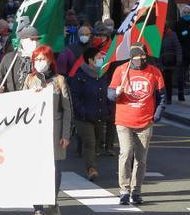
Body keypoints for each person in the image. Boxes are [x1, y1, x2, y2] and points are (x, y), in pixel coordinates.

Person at [108, 43, 166, 206]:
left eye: (143, 57)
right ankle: (124, 190)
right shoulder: (121, 70)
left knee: (141, 158)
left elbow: (162, 97)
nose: (140, 60)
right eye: (136, 57)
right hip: (124, 120)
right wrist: (116, 93)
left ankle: (136, 190)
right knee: (126, 153)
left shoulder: (154, 72)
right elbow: (110, 93)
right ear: (131, 57)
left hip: (145, 121)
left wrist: (156, 116)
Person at [22, 45, 71, 215]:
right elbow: (21, 106)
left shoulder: (59, 80)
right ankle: (38, 206)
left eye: (42, 59)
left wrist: (65, 135)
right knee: (36, 168)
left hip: (55, 133)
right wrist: (31, 96)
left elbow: (67, 109)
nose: (39, 62)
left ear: (50, 60)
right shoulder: (29, 79)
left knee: (55, 170)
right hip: (35, 132)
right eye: (37, 59)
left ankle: (52, 200)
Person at [69, 46, 112, 181]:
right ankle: (91, 168)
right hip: (83, 117)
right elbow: (75, 96)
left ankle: (91, 162)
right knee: (90, 142)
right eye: (98, 57)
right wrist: (82, 111)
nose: (101, 59)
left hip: (100, 115)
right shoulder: (80, 76)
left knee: (97, 142)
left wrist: (109, 109)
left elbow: (108, 94)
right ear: (90, 60)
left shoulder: (103, 75)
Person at [0, 26, 39, 94]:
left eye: (37, 40)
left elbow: (49, 76)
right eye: (31, 39)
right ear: (22, 41)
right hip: (13, 100)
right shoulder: (9, 58)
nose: (35, 43)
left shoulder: (41, 57)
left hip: (35, 99)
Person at [159, 24, 183, 104]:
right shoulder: (158, 35)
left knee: (168, 81)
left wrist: (178, 60)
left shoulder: (172, 35)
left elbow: (178, 47)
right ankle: (162, 98)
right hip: (160, 62)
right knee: (161, 82)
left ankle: (168, 99)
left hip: (169, 62)